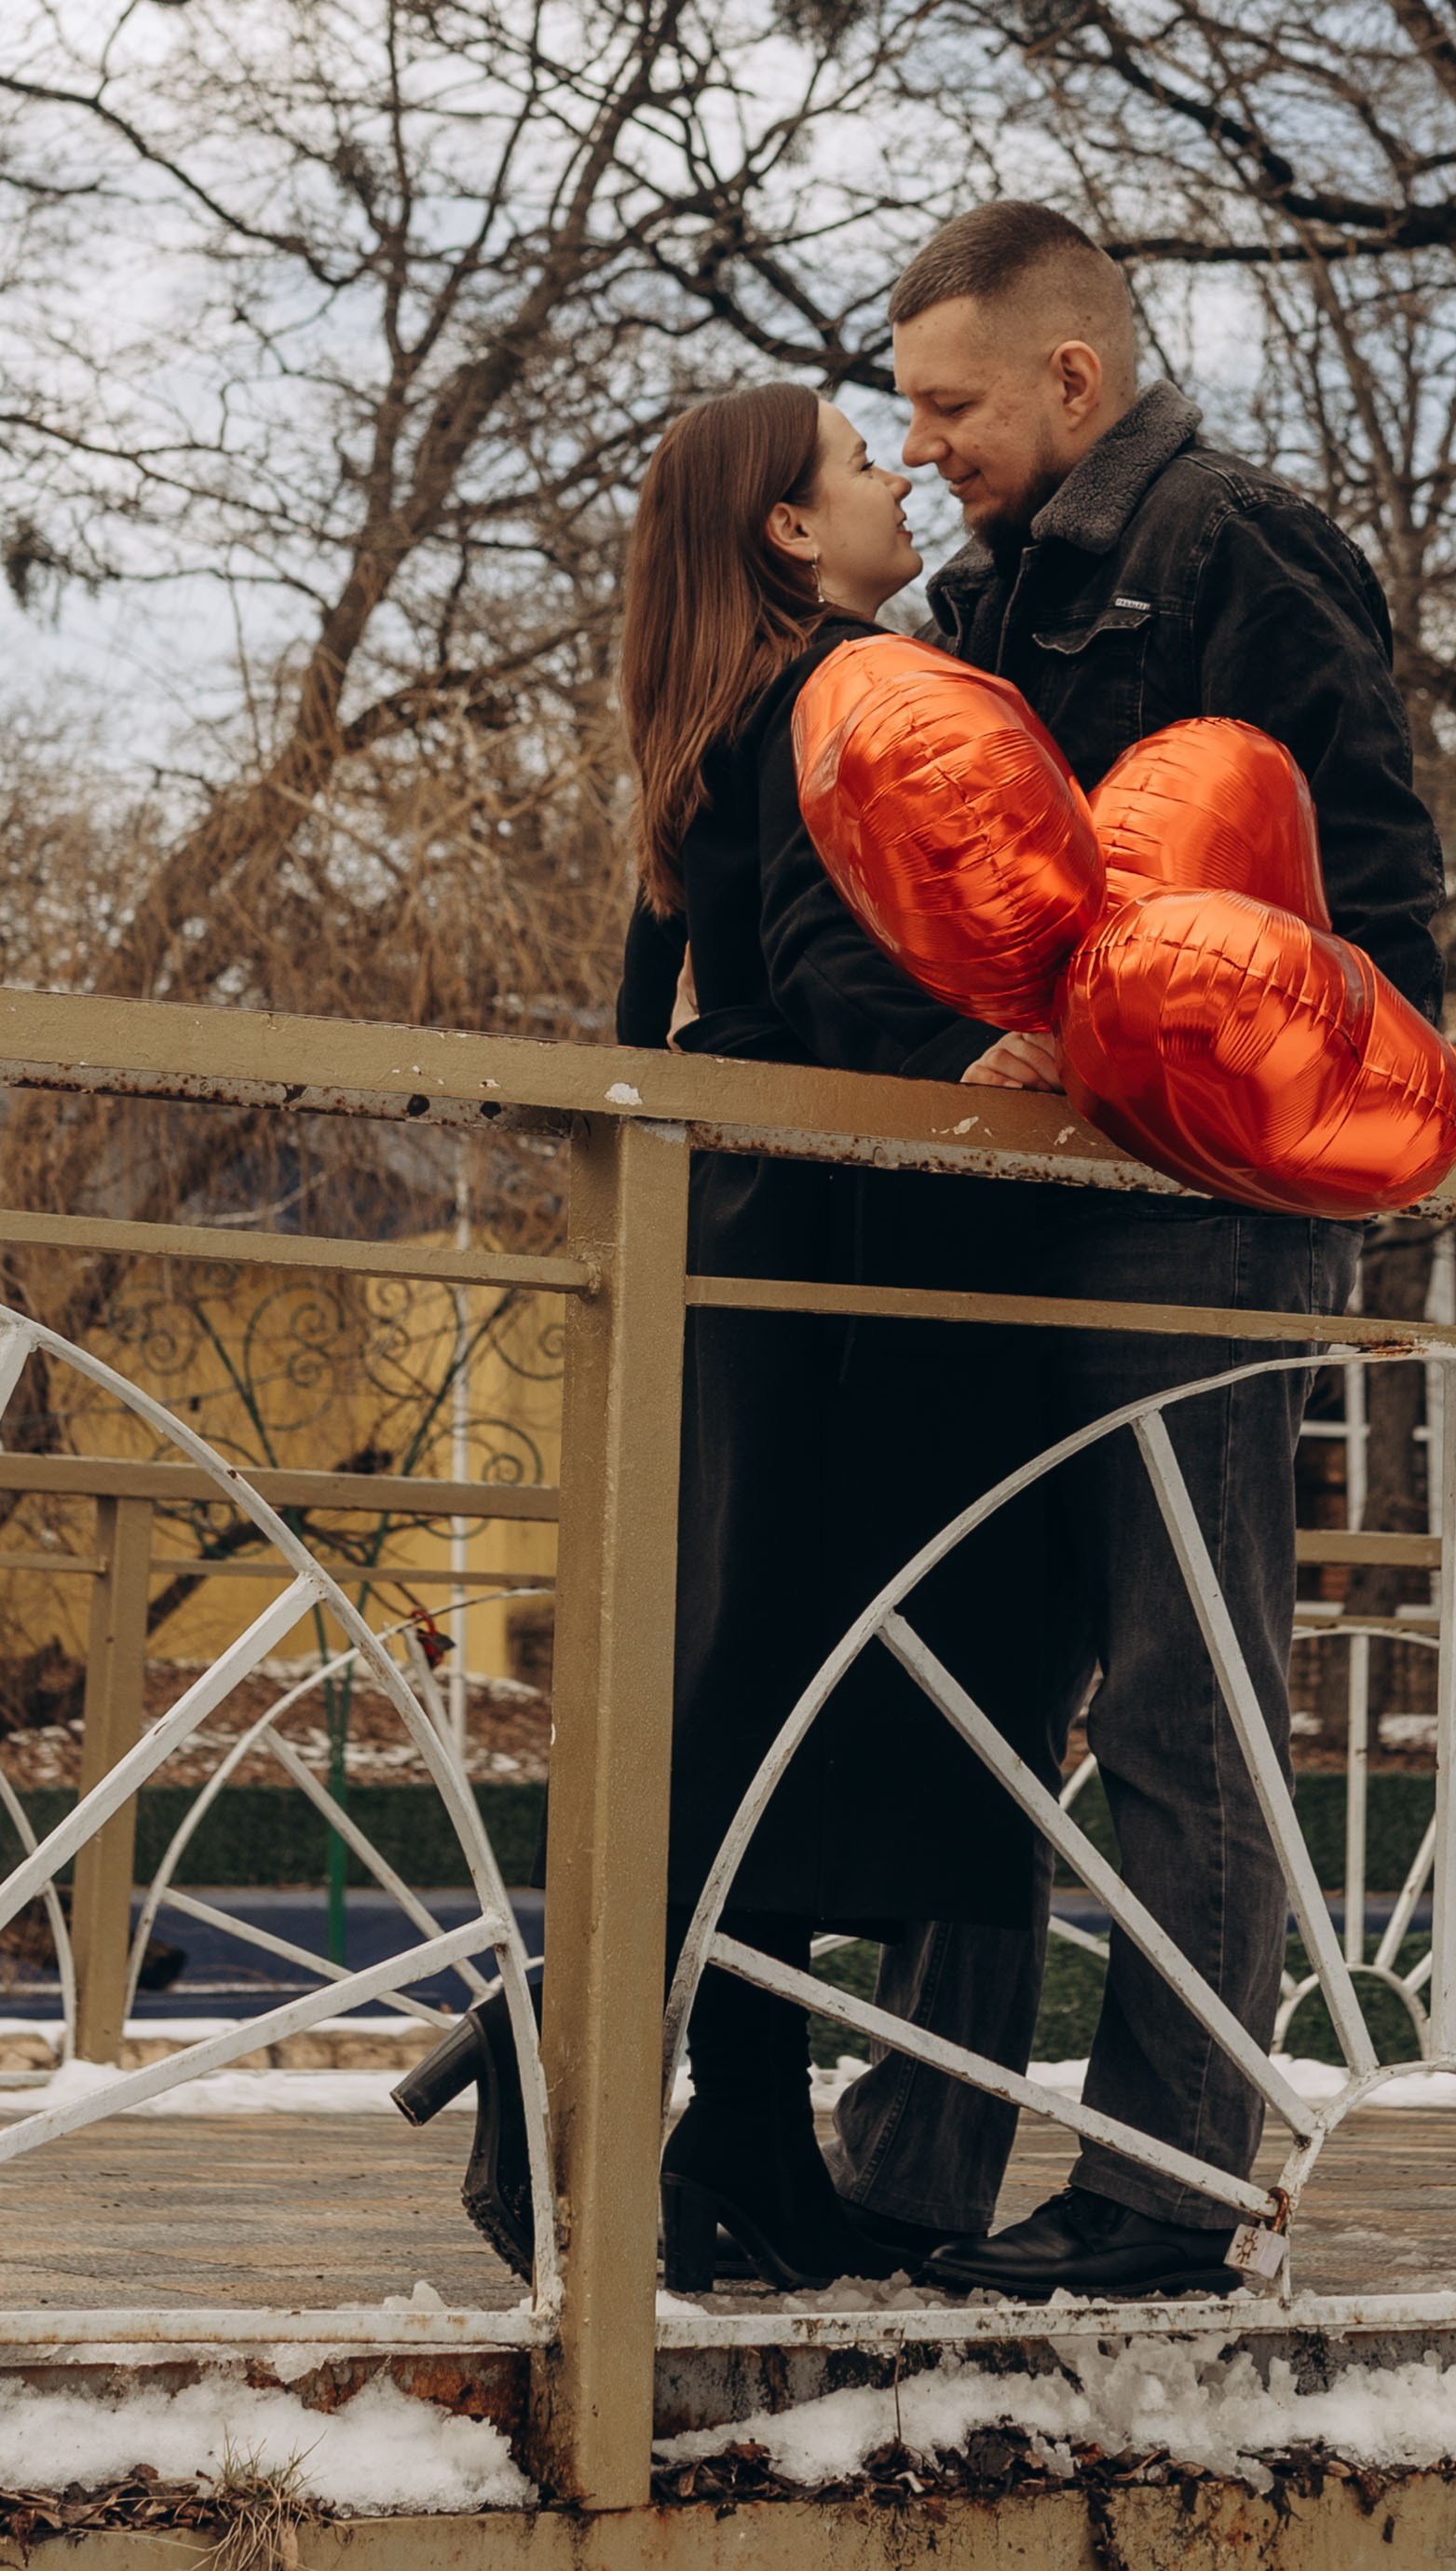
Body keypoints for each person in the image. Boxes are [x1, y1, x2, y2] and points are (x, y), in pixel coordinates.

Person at [831, 200, 1448, 2303]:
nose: (914, 449)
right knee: (986, 1670)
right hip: (1029, 1207)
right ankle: (913, 2151)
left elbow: (1368, 894)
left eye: (948, 404)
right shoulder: (987, 591)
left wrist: (1168, 1056)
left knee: (1181, 1683)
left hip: (1205, 1208)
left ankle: (1161, 2191)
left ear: (1069, 381)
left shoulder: (1236, 550)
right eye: (898, 413)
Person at [400, 383, 1072, 2292]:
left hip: (732, 1235)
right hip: (840, 1245)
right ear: (790, 531)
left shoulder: (706, 721)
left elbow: (674, 987)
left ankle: (730, 2123)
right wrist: (965, 1057)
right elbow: (858, 943)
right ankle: (636, 2077)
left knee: (759, 1690)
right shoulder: (838, 691)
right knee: (853, 1689)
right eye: (861, 470)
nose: (891, 486)